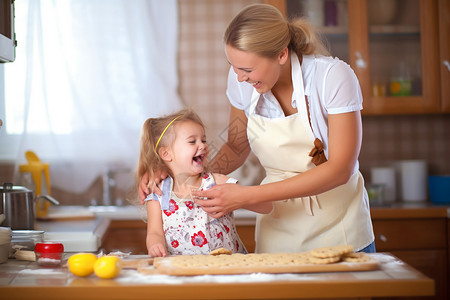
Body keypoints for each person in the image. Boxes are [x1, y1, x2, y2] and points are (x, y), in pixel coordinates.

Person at [140, 4, 375, 254]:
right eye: (234, 67)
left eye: (247, 70)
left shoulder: (331, 78)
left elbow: (340, 169)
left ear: (281, 55)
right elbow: (236, 145)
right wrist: (183, 174)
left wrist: (248, 196)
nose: (239, 78)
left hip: (340, 228)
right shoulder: (243, 83)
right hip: (278, 231)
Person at [138, 109, 272, 257]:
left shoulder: (218, 182)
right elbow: (154, 233)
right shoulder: (158, 194)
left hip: (227, 271)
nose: (202, 145)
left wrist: (240, 199)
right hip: (183, 272)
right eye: (192, 141)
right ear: (166, 154)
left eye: (203, 140)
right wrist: (155, 245)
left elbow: (267, 207)